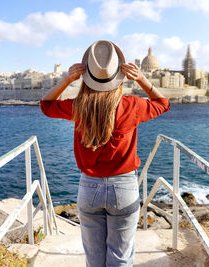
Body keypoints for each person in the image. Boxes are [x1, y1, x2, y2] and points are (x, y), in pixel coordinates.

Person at [40, 40, 170, 267]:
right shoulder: (133, 105)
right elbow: (162, 103)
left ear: (87, 75)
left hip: (89, 188)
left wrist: (67, 80)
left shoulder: (79, 106)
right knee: (120, 257)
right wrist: (141, 79)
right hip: (124, 188)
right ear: (118, 76)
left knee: (94, 258)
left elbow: (46, 106)